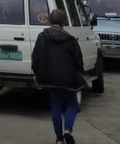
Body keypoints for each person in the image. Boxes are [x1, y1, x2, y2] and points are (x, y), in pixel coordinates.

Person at [31, 9, 85, 144]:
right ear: (64, 22)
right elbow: (79, 60)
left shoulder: (42, 37)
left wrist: (37, 75)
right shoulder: (70, 39)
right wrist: (80, 74)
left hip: (49, 79)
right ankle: (68, 130)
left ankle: (59, 139)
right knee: (72, 104)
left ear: (50, 21)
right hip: (68, 79)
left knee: (55, 106)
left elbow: (35, 58)